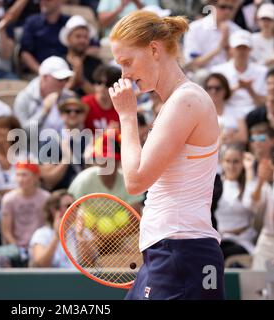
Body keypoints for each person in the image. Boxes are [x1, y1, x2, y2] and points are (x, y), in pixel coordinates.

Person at [109, 11, 224, 299]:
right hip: (171, 252)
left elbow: (135, 181)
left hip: (180, 252)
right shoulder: (178, 102)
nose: (124, 74)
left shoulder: (186, 101)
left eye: (127, 62)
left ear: (154, 49)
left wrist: (126, 115)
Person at [68, 131, 144, 212]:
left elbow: (136, 217)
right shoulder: (83, 180)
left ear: (118, 161)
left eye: (112, 160)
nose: (107, 164)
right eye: (103, 159)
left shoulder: (128, 182)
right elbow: (71, 213)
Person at [215, 143, 259, 260]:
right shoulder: (217, 185)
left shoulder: (250, 184)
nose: (231, 166)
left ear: (242, 163)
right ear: (222, 162)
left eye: (236, 161)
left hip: (241, 242)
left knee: (218, 255)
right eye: (228, 161)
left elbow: (250, 203)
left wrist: (249, 170)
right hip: (219, 239)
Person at [211, 29, 267, 119]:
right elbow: (215, 100)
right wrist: (237, 87)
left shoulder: (262, 71)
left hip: (254, 115)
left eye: (244, 48)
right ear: (231, 50)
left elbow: (263, 103)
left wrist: (250, 89)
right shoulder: (218, 71)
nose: (241, 51)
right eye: (238, 48)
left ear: (250, 49)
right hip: (226, 114)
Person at [40, 93, 90, 191]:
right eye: (67, 111)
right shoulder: (50, 140)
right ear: (61, 115)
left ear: (83, 115)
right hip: (59, 196)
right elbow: (48, 181)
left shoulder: (90, 141)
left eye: (77, 111)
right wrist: (65, 160)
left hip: (84, 195)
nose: (72, 114)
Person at [13, 56, 74, 135]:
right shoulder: (24, 98)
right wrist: (44, 111)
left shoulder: (68, 97)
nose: (64, 83)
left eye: (67, 79)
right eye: (60, 79)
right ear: (44, 77)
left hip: (64, 145)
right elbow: (21, 134)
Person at [0, 161, 50, 256]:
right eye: (18, 175)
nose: (20, 179)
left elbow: (48, 226)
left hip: (39, 246)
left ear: (36, 177)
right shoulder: (8, 199)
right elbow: (6, 230)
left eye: (24, 175)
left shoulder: (46, 198)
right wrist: (18, 249)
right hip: (15, 248)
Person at [183, 0, 242, 72]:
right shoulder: (195, 28)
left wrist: (227, 47)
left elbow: (238, 64)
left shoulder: (238, 31)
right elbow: (192, 64)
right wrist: (219, 48)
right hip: (203, 76)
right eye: (223, 7)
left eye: (230, 8)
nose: (227, 11)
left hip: (228, 77)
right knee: (202, 74)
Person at [19, 0, 70, 75]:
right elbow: (25, 53)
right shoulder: (31, 22)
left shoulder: (69, 23)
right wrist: (42, 72)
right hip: (38, 73)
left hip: (65, 73)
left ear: (60, 1)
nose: (43, 2)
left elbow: (85, 46)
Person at [29, 189, 75, 268]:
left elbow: (91, 263)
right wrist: (57, 237)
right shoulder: (41, 234)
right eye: (68, 206)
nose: (74, 209)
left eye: (76, 205)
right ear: (54, 210)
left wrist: (81, 236)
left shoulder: (82, 232)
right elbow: (41, 264)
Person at [59, 15, 102, 97]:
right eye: (78, 36)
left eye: (85, 37)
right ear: (68, 38)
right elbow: (55, 95)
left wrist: (81, 80)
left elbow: (100, 96)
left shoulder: (97, 64)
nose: (82, 40)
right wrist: (74, 79)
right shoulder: (58, 62)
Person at [203, 73, 247, 144]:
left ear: (225, 90)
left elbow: (243, 137)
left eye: (217, 88)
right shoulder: (201, 113)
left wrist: (223, 138)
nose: (213, 91)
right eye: (209, 88)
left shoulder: (236, 110)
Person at [82, 64, 121, 131]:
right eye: (99, 82)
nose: (102, 87)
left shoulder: (120, 107)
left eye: (108, 84)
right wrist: (106, 134)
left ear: (116, 86)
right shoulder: (85, 104)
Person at [251, 3, 274, 67]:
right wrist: (265, 62)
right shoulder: (251, 39)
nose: (266, 23)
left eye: (269, 19)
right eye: (263, 19)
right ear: (258, 20)